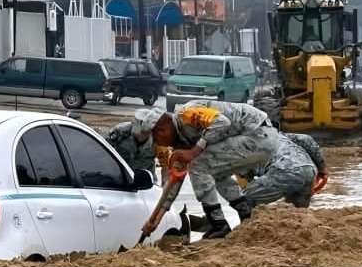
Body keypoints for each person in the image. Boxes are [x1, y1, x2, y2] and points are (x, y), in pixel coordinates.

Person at [150, 99, 280, 239]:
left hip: (258, 134)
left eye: (157, 139)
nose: (160, 145)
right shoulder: (181, 141)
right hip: (257, 141)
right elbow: (176, 179)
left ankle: (218, 224)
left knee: (198, 164)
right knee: (215, 170)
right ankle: (246, 214)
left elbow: (222, 122)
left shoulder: (187, 113)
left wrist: (194, 151)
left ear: (162, 129)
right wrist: (159, 216)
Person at [243, 132, 327, 209]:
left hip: (284, 170)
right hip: (309, 169)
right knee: (298, 208)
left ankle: (246, 224)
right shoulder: (279, 135)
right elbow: (306, 139)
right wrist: (322, 169)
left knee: (243, 199)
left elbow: (246, 177)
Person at [105, 108, 160, 175]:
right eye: (135, 121)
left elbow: (165, 163)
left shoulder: (157, 140)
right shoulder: (120, 131)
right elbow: (103, 150)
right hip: (120, 176)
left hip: (143, 178)